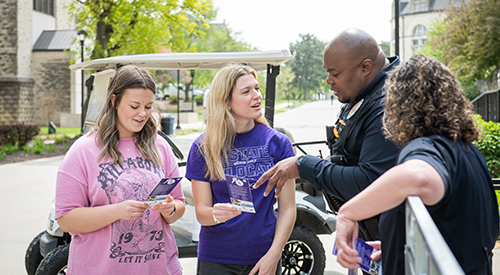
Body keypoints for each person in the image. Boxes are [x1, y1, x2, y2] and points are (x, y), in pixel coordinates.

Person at [335, 54, 499, 275]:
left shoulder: (423, 147)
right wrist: (402, 245)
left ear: (398, 105)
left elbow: (420, 178)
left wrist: (348, 213)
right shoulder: (467, 150)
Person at [255, 28, 400, 242]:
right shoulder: (364, 93)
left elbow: (369, 181)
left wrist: (303, 165)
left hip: (391, 243)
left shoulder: (389, 106)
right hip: (370, 234)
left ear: (366, 67)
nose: (328, 80)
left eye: (335, 73)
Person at [55, 65, 185, 275]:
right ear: (114, 101)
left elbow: (178, 206)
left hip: (159, 269)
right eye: (134, 106)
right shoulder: (82, 151)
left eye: (149, 106)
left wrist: (169, 208)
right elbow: (65, 219)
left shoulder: (160, 146)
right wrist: (117, 211)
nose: (143, 114)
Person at [185, 64, 296, 275]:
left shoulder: (279, 143)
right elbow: (202, 213)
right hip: (217, 260)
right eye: (246, 92)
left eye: (256, 88)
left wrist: (274, 254)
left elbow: (288, 208)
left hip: (265, 257)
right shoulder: (203, 147)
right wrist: (216, 214)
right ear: (226, 102)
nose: (257, 96)